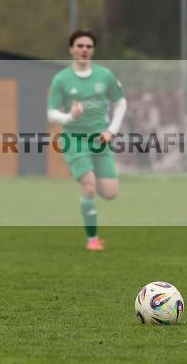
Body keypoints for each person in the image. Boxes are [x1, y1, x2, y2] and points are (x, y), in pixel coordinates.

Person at [47, 29, 127, 251]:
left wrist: (112, 130)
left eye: (88, 46)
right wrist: (69, 117)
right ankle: (92, 239)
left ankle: (89, 193)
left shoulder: (105, 75)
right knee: (89, 186)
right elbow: (51, 113)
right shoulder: (62, 79)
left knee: (110, 193)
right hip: (74, 139)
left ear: (93, 50)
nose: (84, 50)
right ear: (71, 49)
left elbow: (121, 102)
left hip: (101, 139)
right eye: (80, 46)